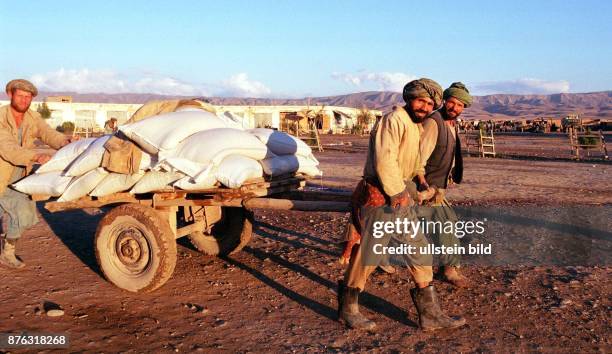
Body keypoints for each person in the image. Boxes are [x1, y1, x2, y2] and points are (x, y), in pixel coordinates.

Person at [338, 78, 466, 332]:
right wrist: (398, 194)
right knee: (369, 254)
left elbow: (415, 159)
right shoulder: (394, 120)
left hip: (400, 192)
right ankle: (348, 309)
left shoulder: (416, 125)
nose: (425, 106)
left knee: (419, 251)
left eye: (430, 103)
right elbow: (385, 160)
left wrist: (419, 176)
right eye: (421, 100)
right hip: (382, 194)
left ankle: (430, 315)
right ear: (409, 98)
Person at [0, 79, 73, 269]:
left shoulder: (33, 117)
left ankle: (7, 252)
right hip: (1, 174)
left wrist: (65, 142)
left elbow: (48, 133)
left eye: (28, 97)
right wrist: (36, 156)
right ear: (10, 95)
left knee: (24, 214)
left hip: (20, 177)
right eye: (20, 96)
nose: (24, 100)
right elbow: (7, 148)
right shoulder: (0, 117)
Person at [417, 82, 472, 288]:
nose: (455, 108)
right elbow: (420, 157)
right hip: (427, 186)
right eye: (452, 103)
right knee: (445, 223)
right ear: (445, 101)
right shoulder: (434, 122)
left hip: (438, 186)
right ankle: (449, 270)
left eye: (460, 105)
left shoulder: (450, 123)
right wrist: (423, 184)